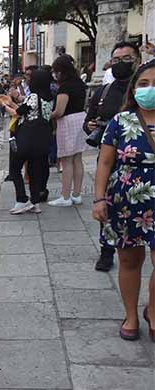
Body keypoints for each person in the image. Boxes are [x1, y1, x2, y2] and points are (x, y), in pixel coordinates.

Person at [92, 60, 155, 341]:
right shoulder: (120, 121)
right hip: (126, 202)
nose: (149, 89)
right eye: (143, 84)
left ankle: (153, 310)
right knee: (129, 259)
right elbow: (105, 162)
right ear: (133, 89)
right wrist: (98, 199)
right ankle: (131, 313)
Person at [86, 41, 142, 271]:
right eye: (116, 60)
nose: (121, 64)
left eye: (127, 59)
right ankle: (107, 251)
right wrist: (89, 126)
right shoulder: (103, 92)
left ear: (138, 60)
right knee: (107, 206)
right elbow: (88, 121)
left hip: (144, 164)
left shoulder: (145, 89)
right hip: (111, 162)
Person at [8, 68, 54, 215]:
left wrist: (4, 104)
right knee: (35, 171)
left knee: (15, 169)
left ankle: (21, 199)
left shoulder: (34, 96)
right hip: (42, 139)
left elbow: (17, 112)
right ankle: (35, 202)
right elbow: (27, 110)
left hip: (27, 138)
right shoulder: (50, 97)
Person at [48, 55, 88, 207]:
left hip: (68, 122)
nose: (54, 74)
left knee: (66, 160)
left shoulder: (65, 87)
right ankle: (76, 195)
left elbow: (59, 111)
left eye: (55, 71)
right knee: (78, 158)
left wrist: (47, 115)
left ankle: (65, 197)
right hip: (81, 119)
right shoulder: (80, 84)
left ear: (60, 71)